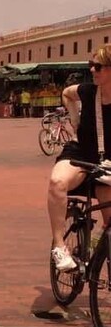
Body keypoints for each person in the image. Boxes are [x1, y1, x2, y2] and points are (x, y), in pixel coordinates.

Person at [49, 45, 111, 271]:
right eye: (90, 66)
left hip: (107, 165)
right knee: (57, 182)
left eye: (98, 67)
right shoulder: (87, 91)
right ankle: (59, 246)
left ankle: (100, 250)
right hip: (82, 153)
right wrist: (75, 119)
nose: (92, 71)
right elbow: (67, 93)